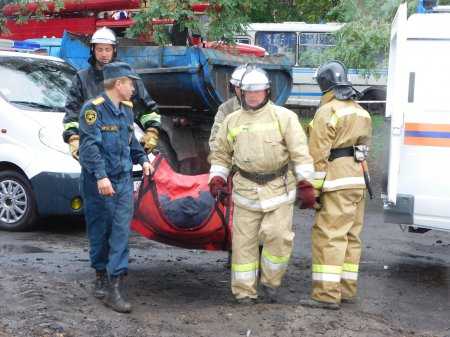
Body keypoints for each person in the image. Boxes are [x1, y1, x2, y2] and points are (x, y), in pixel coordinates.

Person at [208, 66, 316, 304]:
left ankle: (271, 282)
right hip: (245, 190)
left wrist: (307, 183)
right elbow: (220, 155)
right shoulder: (231, 120)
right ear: (241, 94)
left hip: (279, 189)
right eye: (249, 92)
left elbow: (300, 153)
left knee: (278, 238)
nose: (253, 96)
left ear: (267, 92)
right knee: (243, 244)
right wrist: (217, 178)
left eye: (258, 92)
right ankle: (244, 291)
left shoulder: (285, 117)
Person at [78, 61, 153, 313]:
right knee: (101, 229)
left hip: (121, 180)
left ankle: (115, 286)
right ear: (118, 84)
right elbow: (89, 147)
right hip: (99, 180)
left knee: (121, 230)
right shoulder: (93, 110)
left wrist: (142, 160)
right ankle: (100, 274)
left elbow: (130, 141)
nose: (133, 88)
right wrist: (101, 177)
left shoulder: (127, 110)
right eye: (130, 83)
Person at [299, 60, 372, 310]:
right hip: (357, 181)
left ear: (324, 84)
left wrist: (313, 190)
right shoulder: (361, 111)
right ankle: (347, 289)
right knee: (352, 236)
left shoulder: (327, 111)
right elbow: (363, 150)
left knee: (329, 236)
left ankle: (326, 294)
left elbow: (318, 155)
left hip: (336, 182)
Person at [63, 27, 161, 160]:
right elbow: (72, 113)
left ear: (114, 50)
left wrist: (152, 132)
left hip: (124, 149)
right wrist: (73, 138)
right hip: (94, 148)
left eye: (107, 49)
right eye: (100, 49)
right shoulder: (82, 78)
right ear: (93, 50)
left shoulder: (127, 76)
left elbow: (146, 108)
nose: (104, 54)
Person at [208, 64, 246, 153]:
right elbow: (216, 143)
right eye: (238, 87)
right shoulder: (226, 109)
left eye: (250, 87)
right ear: (233, 88)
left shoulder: (276, 112)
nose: (243, 91)